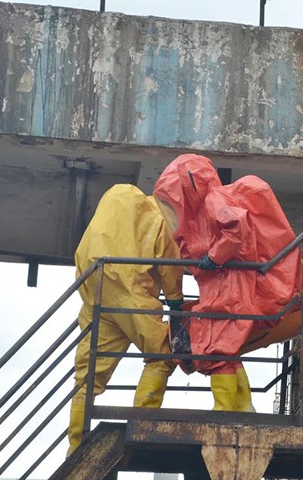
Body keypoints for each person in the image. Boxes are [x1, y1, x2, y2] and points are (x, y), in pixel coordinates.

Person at [153, 154, 301, 412]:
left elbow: (236, 227)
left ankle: (224, 409)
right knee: (224, 350)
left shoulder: (214, 200)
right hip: (223, 287)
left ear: (189, 185)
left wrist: (214, 257)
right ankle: (242, 407)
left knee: (217, 349)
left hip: (230, 288)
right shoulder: (204, 210)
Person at [67, 184, 184, 456]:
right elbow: (169, 266)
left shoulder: (118, 199)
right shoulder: (160, 218)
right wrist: (176, 303)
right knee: (163, 354)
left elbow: (85, 246)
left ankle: (76, 449)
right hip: (129, 292)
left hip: (94, 292)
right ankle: (142, 427)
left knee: (88, 377)